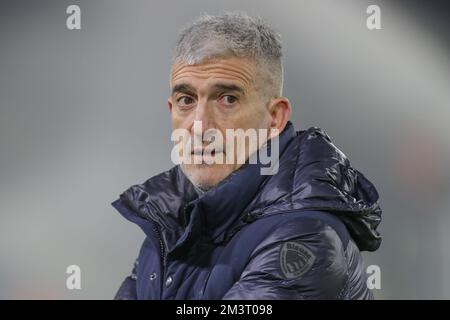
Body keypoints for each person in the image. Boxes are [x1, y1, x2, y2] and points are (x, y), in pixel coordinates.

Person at [111, 11, 382, 300]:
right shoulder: (168, 223)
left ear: (275, 117)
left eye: (227, 99)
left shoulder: (305, 235)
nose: (199, 125)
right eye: (186, 100)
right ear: (171, 110)